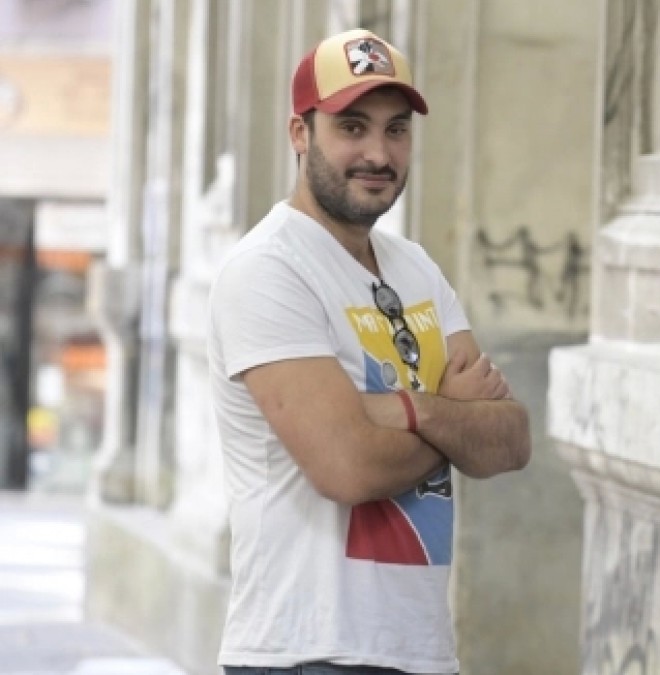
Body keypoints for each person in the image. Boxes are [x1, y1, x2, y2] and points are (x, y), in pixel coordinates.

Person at [207, 28, 531, 674]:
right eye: (352, 127)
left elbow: (510, 440)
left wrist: (409, 409)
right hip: (306, 650)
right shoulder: (269, 270)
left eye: (396, 130)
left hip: (420, 650)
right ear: (300, 134)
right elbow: (347, 467)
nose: (378, 153)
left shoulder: (416, 268)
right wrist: (451, 413)